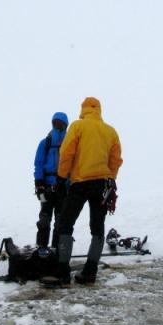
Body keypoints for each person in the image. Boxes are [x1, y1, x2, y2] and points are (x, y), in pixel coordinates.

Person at [42, 97, 123, 288]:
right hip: (102, 183)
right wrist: (110, 179)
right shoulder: (110, 131)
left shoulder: (78, 126)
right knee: (97, 227)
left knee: (65, 224)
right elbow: (115, 159)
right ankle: (90, 272)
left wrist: (61, 177)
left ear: (84, 109)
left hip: (80, 182)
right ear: (99, 109)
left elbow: (67, 152)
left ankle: (62, 273)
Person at [34, 112, 69, 249]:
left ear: (65, 125)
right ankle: (41, 248)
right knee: (44, 219)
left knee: (60, 221)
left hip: (63, 189)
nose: (58, 125)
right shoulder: (45, 143)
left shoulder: (70, 143)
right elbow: (38, 164)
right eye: (56, 123)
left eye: (61, 123)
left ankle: (56, 250)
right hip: (46, 188)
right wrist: (39, 184)